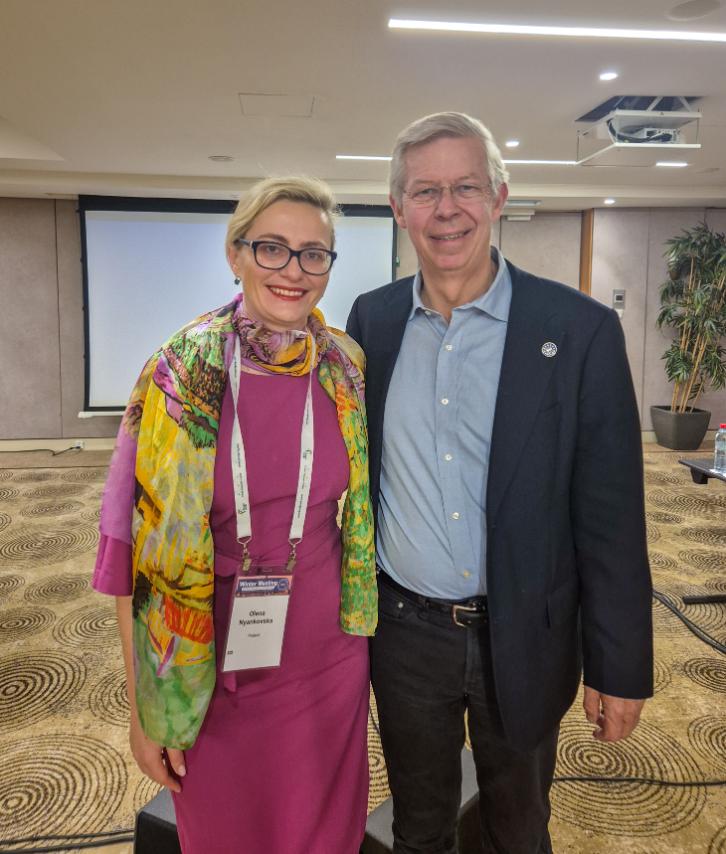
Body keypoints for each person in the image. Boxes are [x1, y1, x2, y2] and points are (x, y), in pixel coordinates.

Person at [346, 112, 653, 854]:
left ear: (500, 196)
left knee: (519, 828)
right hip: (405, 632)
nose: (445, 209)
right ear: (398, 208)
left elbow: (610, 516)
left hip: (527, 630)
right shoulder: (371, 321)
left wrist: (620, 667)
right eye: (424, 192)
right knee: (419, 826)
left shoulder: (578, 329)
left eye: (465, 188)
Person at [93, 176, 377, 854]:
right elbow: (133, 561)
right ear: (235, 254)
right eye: (272, 248)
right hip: (204, 660)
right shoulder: (177, 373)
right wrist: (145, 708)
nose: (293, 270)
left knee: (325, 832)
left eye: (314, 254)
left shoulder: (345, 366)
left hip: (328, 654)